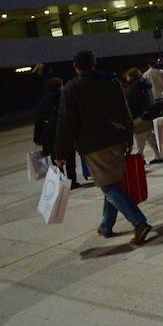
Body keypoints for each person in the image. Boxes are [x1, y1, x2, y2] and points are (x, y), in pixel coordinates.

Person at [55, 50, 152, 245]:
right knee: (112, 181)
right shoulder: (112, 81)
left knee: (108, 186)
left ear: (76, 66)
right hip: (117, 138)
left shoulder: (71, 88)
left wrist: (61, 153)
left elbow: (66, 122)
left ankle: (139, 222)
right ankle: (106, 225)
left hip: (93, 144)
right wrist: (128, 137)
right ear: (94, 63)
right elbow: (125, 110)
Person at [122, 68, 163, 164]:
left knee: (140, 141)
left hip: (140, 117)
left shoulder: (133, 87)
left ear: (131, 76)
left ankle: (139, 159)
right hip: (149, 114)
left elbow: (131, 104)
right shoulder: (145, 84)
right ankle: (158, 156)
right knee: (149, 137)